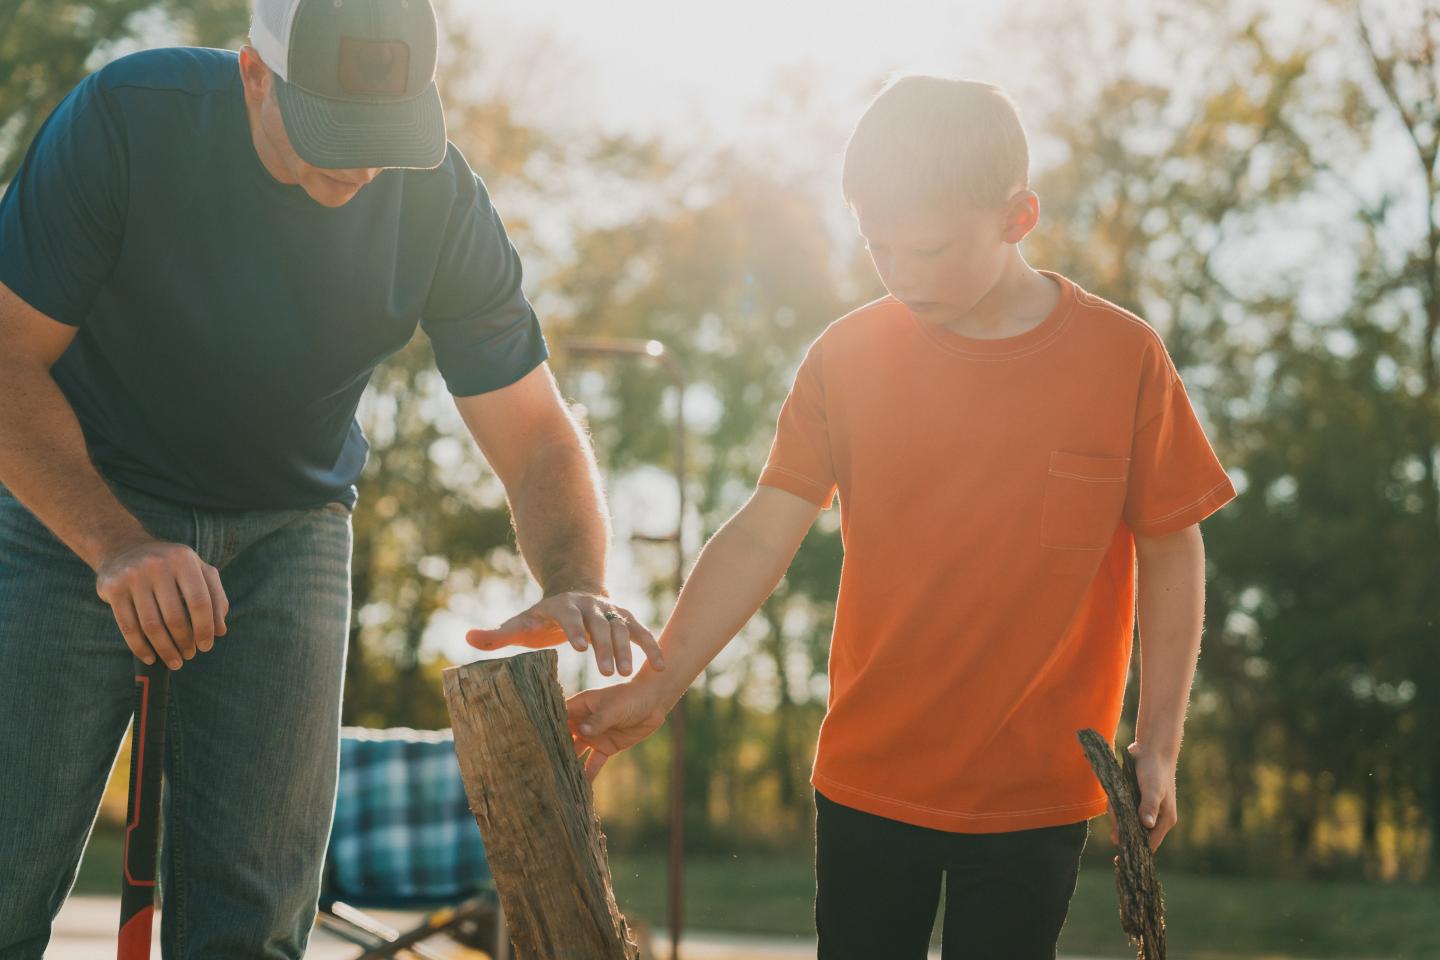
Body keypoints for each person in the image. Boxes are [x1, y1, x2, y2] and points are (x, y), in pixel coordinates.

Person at [0, 0, 660, 955]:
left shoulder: (439, 199)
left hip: (289, 522)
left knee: (256, 916)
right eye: (331, 129)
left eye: (384, 133)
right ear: (254, 77)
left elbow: (536, 435)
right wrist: (117, 543)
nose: (358, 163)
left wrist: (573, 579)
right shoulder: (128, 120)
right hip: (79, 504)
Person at [563, 76, 1236, 959]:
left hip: (1038, 794)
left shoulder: (1123, 359)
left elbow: (1172, 547)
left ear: (1017, 217)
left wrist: (1158, 741)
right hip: (868, 781)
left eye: (930, 249)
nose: (905, 275)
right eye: (881, 247)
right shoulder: (844, 360)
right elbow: (766, 530)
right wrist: (661, 682)